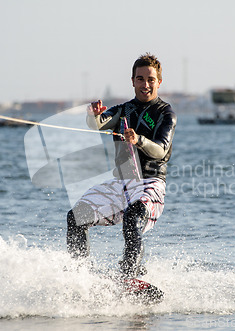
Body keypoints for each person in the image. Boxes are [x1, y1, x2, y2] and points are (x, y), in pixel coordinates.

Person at [66, 53, 176, 279]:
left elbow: (161, 150)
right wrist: (93, 116)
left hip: (150, 184)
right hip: (122, 182)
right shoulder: (123, 110)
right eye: (140, 79)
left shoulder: (166, 113)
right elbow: (98, 124)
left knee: (133, 218)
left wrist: (139, 140)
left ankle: (130, 276)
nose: (145, 84)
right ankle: (80, 277)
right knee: (75, 217)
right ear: (133, 81)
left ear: (159, 82)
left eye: (151, 79)